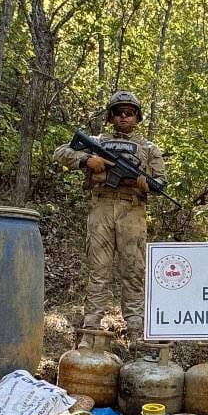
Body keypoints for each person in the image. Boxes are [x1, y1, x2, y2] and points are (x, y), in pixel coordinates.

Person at [53, 90, 168, 340]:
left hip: (132, 211)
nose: (124, 117)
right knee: (99, 270)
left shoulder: (148, 148)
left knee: (133, 271)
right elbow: (61, 152)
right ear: (110, 116)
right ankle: (91, 329)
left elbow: (161, 181)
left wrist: (146, 184)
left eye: (129, 113)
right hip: (101, 208)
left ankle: (136, 331)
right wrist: (87, 160)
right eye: (118, 112)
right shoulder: (97, 142)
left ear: (137, 117)